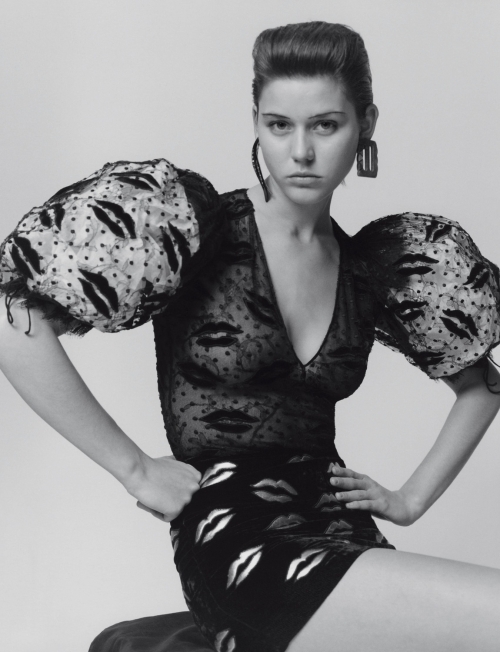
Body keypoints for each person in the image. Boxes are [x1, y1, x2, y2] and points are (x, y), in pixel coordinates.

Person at [1, 20, 500, 652]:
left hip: (342, 530)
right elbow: (14, 323)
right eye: (279, 125)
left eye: (326, 125)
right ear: (257, 125)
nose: (301, 151)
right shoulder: (196, 228)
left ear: (365, 126)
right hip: (236, 539)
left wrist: (408, 501)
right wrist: (134, 468)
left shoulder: (374, 266)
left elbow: (481, 387)